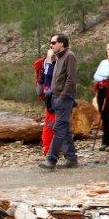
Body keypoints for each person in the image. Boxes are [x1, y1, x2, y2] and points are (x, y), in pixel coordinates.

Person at [38, 33, 78, 170]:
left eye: (53, 42)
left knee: (59, 128)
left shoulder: (69, 56)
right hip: (57, 97)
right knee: (64, 128)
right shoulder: (59, 58)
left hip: (64, 98)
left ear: (62, 43)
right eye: (51, 43)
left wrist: (62, 96)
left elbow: (71, 79)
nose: (51, 45)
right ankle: (72, 158)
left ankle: (51, 159)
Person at [93, 41, 109, 151]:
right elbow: (96, 76)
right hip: (102, 91)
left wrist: (105, 76)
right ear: (106, 51)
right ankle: (105, 141)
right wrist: (105, 77)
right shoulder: (103, 63)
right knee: (104, 115)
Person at [34, 50, 55, 156]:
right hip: (53, 100)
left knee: (49, 125)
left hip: (49, 100)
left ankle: (48, 148)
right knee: (54, 125)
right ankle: (49, 149)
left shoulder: (44, 66)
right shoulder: (48, 67)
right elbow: (48, 83)